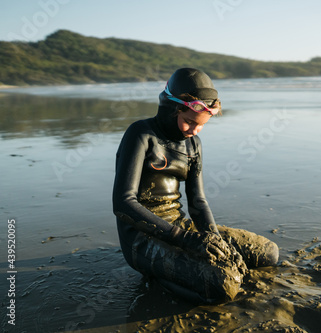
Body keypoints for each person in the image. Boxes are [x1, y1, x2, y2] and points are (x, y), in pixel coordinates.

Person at [112, 68, 279, 304]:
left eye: (201, 125)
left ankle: (182, 271)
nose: (194, 131)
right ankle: (159, 277)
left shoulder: (193, 145)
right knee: (225, 285)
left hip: (180, 227)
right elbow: (123, 203)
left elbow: (198, 201)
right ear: (172, 109)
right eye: (189, 122)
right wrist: (185, 240)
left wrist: (213, 237)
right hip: (142, 238)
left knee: (268, 252)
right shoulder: (141, 134)